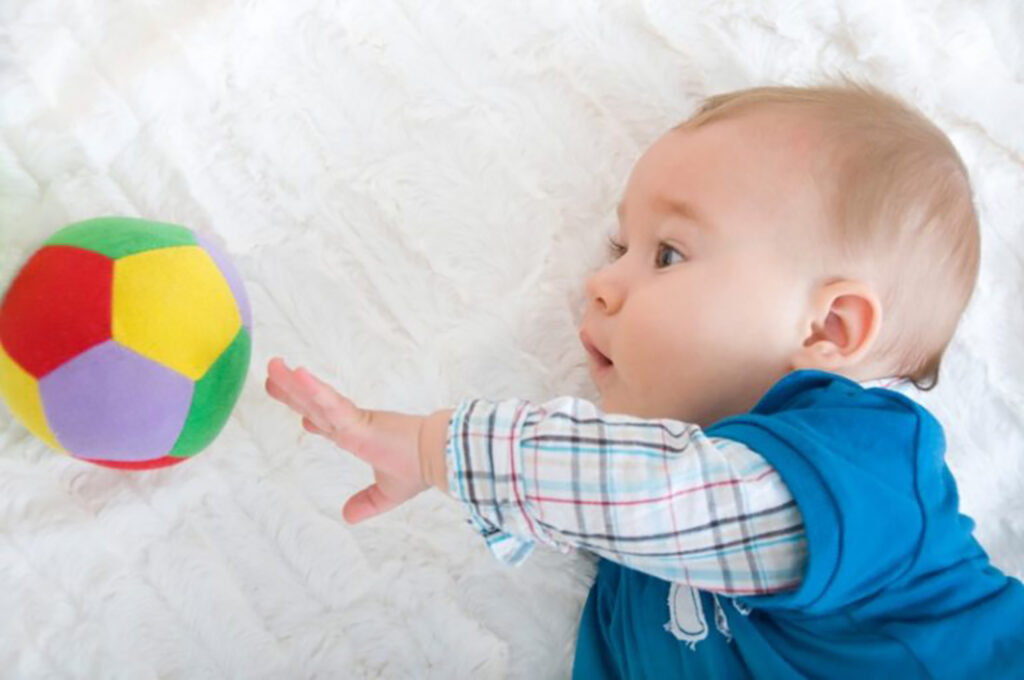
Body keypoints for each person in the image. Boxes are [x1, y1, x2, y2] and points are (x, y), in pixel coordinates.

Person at [264, 82, 1024, 677]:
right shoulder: (633, 581)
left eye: (666, 254)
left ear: (826, 329)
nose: (599, 282)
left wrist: (442, 451)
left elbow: (654, 495)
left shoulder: (865, 463)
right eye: (617, 245)